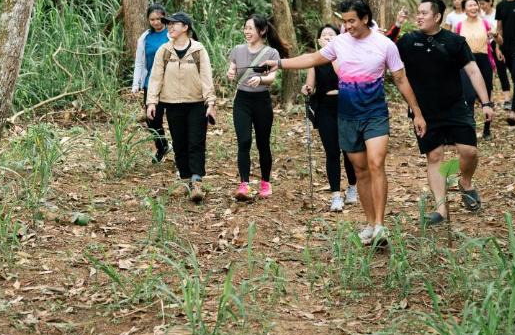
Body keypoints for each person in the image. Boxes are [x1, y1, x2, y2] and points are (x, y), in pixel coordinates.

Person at [260, 0, 426, 246]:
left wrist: (417, 112)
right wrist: (279, 63)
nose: (347, 26)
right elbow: (312, 59)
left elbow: (401, 80)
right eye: (345, 21)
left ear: (365, 19)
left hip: (375, 113)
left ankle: (381, 226)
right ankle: (370, 224)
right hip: (347, 116)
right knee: (360, 171)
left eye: (352, 21)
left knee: (375, 163)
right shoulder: (340, 43)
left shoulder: (385, 45)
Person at [398, 0, 493, 224]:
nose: (419, 16)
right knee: (435, 155)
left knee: (469, 151)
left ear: (438, 16)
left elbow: (473, 71)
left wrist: (486, 102)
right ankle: (441, 210)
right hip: (425, 110)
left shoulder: (455, 42)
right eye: (417, 13)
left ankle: (466, 183)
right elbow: (388, 59)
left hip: (455, 106)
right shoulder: (408, 41)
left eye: (424, 13)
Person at [146, 12, 216, 202]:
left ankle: (197, 181)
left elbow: (206, 77)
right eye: (168, 24)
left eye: (174, 24)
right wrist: (151, 101)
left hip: (196, 103)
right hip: (172, 104)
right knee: (179, 143)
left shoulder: (198, 50)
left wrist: (210, 102)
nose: (169, 27)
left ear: (185, 27)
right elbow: (155, 77)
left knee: (196, 142)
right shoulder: (164, 50)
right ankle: (185, 180)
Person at [226, 14, 289, 201]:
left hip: (261, 101)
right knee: (244, 141)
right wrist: (230, 73)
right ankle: (243, 184)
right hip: (242, 101)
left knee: (263, 143)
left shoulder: (271, 53)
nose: (247, 31)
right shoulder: (237, 50)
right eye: (245, 28)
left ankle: (265, 183)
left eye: (250, 28)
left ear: (261, 31)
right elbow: (232, 69)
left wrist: (261, 79)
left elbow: (271, 78)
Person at [302, 24, 358, 212]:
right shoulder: (315, 61)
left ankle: (352, 187)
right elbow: (310, 84)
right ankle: (335, 195)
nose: (327, 37)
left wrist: (333, 52)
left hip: (345, 105)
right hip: (325, 107)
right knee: (332, 151)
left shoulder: (345, 57)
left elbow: (342, 75)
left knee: (348, 150)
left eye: (331, 35)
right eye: (323, 35)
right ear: (318, 40)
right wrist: (307, 89)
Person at [131, 3, 170, 162]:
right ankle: (162, 146)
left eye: (159, 19)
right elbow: (140, 62)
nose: (156, 22)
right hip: (150, 83)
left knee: (175, 119)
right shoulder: (145, 37)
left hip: (171, 83)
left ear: (164, 17)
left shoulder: (172, 33)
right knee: (152, 119)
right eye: (152, 19)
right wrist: (136, 84)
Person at [455, 0, 496, 140]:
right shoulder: (459, 25)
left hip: (483, 60)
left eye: (475, 5)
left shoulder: (486, 23)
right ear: (464, 9)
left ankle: (487, 129)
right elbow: (454, 46)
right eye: (470, 5)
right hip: (466, 62)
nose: (473, 8)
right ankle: (470, 129)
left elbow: (497, 41)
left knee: (487, 96)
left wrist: (495, 35)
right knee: (469, 96)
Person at [480, 0, 509, 109]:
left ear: (490, 2)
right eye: (480, 4)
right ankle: (489, 99)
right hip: (485, 46)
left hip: (497, 44)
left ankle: (507, 99)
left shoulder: (498, 13)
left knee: (501, 70)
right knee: (487, 72)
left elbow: (501, 31)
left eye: (483, 3)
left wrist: (498, 48)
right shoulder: (480, 16)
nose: (481, 6)